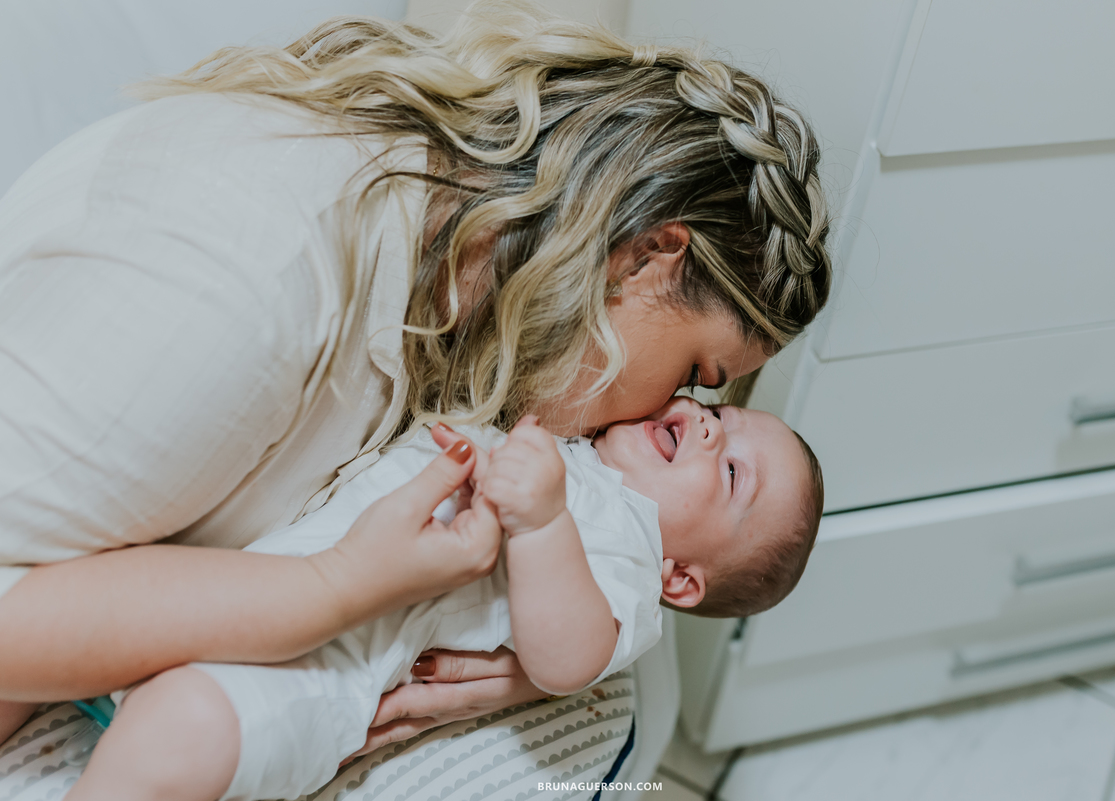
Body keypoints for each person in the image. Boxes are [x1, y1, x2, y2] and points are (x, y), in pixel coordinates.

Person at [0, 0, 832, 760]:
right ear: (646, 259)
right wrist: (334, 591)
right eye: (695, 373)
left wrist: (528, 649)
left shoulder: (471, 289)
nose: (682, 411)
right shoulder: (251, 283)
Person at [64, 396, 823, 801]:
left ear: (681, 578)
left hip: (322, 668)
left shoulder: (627, 557)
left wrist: (544, 522)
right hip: (252, 583)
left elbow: (569, 657)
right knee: (74, 610)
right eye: (721, 414)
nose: (708, 428)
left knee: (179, 726)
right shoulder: (581, 444)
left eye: (732, 475)